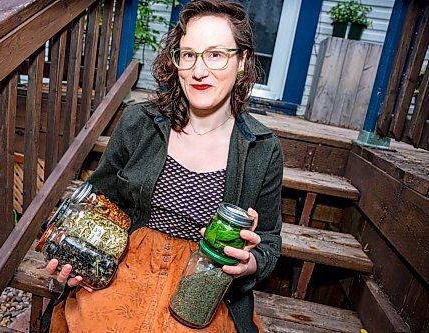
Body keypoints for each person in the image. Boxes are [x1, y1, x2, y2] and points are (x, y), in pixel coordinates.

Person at [45, 0, 283, 332]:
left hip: (202, 284)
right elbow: (98, 204)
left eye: (216, 55)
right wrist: (78, 253)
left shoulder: (263, 150)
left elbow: (270, 241)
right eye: (189, 55)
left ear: (241, 61)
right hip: (127, 266)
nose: (199, 71)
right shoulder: (138, 123)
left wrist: (250, 261)